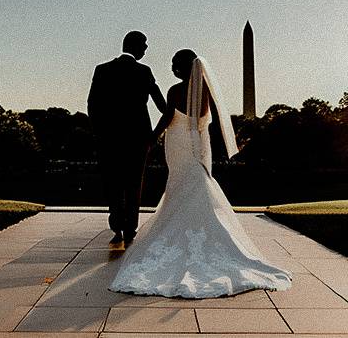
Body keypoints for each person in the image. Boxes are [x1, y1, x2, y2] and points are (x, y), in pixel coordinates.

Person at [109, 50, 291, 298]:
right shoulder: (208, 92)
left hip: (178, 141)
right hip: (201, 143)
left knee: (178, 184)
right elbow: (215, 121)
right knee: (201, 181)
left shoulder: (174, 91)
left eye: (175, 65)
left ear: (185, 68)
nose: (172, 68)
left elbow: (168, 116)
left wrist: (152, 139)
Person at [88, 31, 166, 245]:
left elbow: (92, 105)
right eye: (145, 44)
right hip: (138, 137)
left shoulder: (102, 70)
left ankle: (117, 225)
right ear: (136, 46)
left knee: (112, 182)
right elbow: (161, 104)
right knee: (134, 183)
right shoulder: (144, 72)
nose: (147, 48)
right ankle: (130, 227)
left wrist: (99, 133)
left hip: (109, 138)